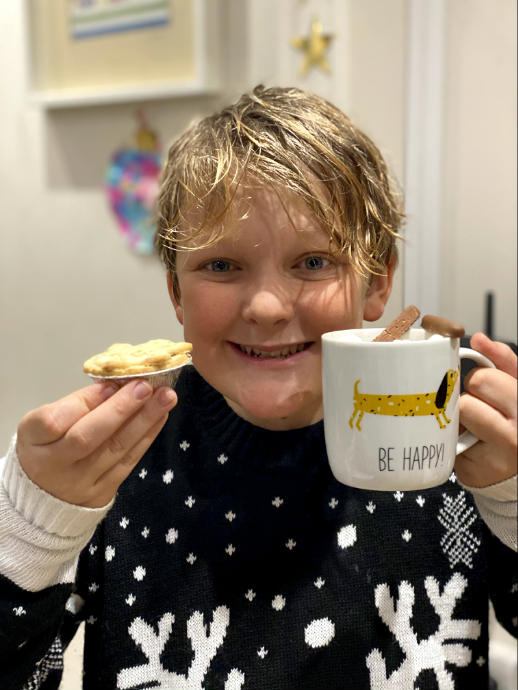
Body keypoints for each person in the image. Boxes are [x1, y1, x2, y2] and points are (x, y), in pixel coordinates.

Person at [1, 86, 516, 690]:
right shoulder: (115, 460)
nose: (267, 307)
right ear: (176, 294)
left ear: (377, 283)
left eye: (314, 262)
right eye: (221, 266)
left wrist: (513, 504)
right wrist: (29, 532)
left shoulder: (459, 443)